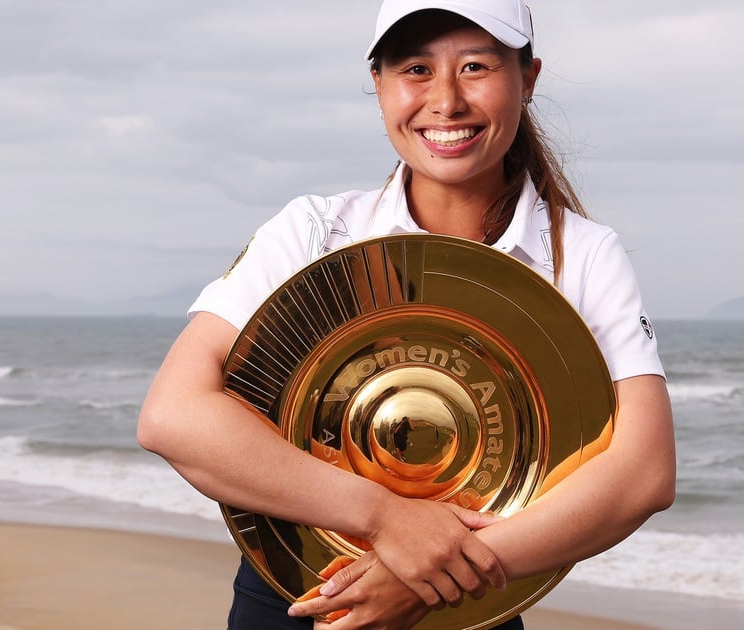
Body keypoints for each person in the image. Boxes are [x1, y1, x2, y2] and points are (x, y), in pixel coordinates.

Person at [137, 1, 676, 628]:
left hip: (472, 602)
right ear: (379, 86)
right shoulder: (315, 232)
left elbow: (644, 473)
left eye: (476, 66)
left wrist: (426, 577)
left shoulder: (580, 255)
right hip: (298, 601)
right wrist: (388, 519)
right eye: (416, 69)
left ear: (527, 79)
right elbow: (172, 416)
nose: (446, 101)